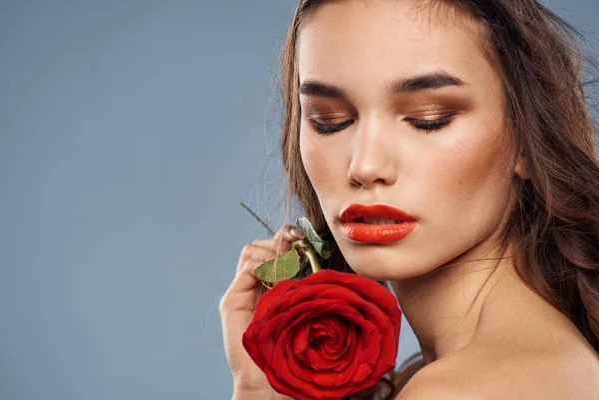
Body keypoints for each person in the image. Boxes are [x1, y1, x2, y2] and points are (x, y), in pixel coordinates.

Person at [219, 0, 599, 399]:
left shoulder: (459, 389)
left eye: (427, 118)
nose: (365, 166)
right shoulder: (533, 362)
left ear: (526, 137)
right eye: (328, 120)